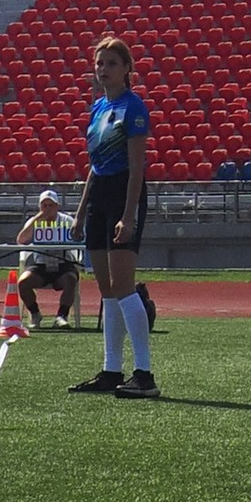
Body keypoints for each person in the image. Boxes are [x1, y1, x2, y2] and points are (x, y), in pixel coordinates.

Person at [69, 37, 157, 400]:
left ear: (126, 69)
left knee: (123, 286)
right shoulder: (97, 108)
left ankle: (145, 373)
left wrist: (129, 215)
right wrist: (79, 213)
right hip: (101, 197)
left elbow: (136, 167)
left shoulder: (133, 108)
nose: (103, 69)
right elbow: (94, 167)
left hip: (124, 193)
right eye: (99, 63)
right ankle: (111, 369)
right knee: (106, 289)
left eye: (111, 63)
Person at [18, 189, 84, 329]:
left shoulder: (67, 220)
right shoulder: (34, 222)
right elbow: (21, 240)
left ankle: (62, 316)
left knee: (71, 279)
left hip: (63, 264)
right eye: (44, 206)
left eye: (51, 205)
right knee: (23, 282)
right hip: (41, 265)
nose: (47, 209)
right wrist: (37, 219)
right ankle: (35, 314)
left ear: (57, 206)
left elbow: (80, 239)